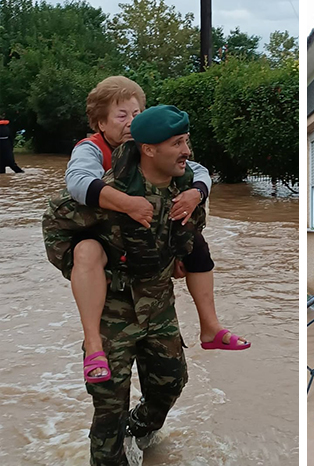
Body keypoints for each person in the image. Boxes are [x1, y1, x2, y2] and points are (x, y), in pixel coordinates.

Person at [43, 105, 202, 465]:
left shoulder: (187, 192)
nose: (186, 151)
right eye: (177, 143)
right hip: (112, 312)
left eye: (186, 142)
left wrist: (179, 255)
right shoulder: (111, 195)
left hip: (160, 308)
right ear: (149, 149)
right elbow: (54, 222)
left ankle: (140, 430)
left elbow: (193, 231)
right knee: (109, 407)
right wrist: (82, 264)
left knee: (171, 384)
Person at [65, 77, 248, 384]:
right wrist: (127, 203)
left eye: (136, 114)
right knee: (87, 251)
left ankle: (210, 326)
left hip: (147, 251)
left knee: (197, 244)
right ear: (100, 123)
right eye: (121, 115)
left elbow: (198, 172)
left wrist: (195, 193)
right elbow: (78, 182)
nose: (130, 122)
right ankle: (94, 344)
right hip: (103, 237)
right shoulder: (91, 149)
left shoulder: (148, 147)